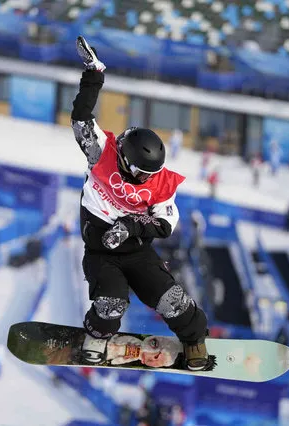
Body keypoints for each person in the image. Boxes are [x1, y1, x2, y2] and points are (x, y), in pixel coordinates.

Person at [70, 36, 210, 371]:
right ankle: (97, 336)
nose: (147, 179)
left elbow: (164, 224)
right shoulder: (100, 152)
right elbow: (80, 117)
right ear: (126, 160)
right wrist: (94, 75)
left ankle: (194, 341)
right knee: (111, 304)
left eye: (152, 173)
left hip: (137, 252)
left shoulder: (161, 184)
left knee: (173, 301)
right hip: (101, 253)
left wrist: (131, 225)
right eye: (141, 172)